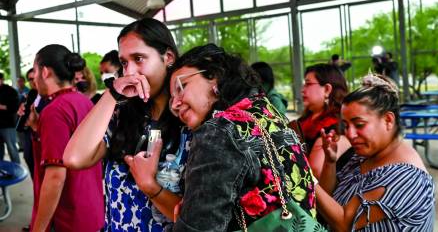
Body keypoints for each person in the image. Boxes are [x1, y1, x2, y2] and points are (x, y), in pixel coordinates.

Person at [128, 44, 318, 231]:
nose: (176, 104)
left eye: (181, 87)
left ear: (215, 76)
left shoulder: (218, 132)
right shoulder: (267, 111)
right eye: (171, 99)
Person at [63, 18, 190, 231]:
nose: (129, 72)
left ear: (167, 57)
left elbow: (198, 219)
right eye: (124, 62)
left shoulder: (191, 121)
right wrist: (112, 94)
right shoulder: (121, 115)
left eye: (139, 58)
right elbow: (74, 158)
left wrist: (151, 187)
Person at [315, 74, 435, 231]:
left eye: (359, 124)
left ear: (388, 120)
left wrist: (304, 173)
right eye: (346, 125)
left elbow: (344, 224)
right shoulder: (365, 155)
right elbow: (329, 196)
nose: (350, 134)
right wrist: (330, 162)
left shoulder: (407, 177)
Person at [26, 44, 104, 232]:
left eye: (35, 71)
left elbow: (55, 177)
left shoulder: (55, 111)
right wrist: (38, 130)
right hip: (91, 209)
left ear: (45, 72)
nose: (34, 79)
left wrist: (38, 229)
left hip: (68, 216)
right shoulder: (83, 101)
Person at [289, 64, 351, 178]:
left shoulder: (337, 125)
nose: (302, 90)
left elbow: (316, 171)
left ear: (327, 89)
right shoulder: (305, 120)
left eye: (308, 84)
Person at [0, 72, 20, 163]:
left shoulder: (10, 91)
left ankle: (17, 168)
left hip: (8, 125)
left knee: (11, 148)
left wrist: (2, 107)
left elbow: (15, 107)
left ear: (2, 80)